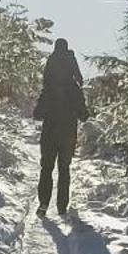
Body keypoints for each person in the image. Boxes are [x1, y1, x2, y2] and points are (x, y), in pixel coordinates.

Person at [32, 37, 89, 217]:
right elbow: (84, 115)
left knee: (46, 168)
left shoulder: (48, 90)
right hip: (68, 134)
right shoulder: (75, 90)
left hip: (49, 132)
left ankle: (43, 205)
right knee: (64, 169)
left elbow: (37, 114)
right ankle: (62, 207)